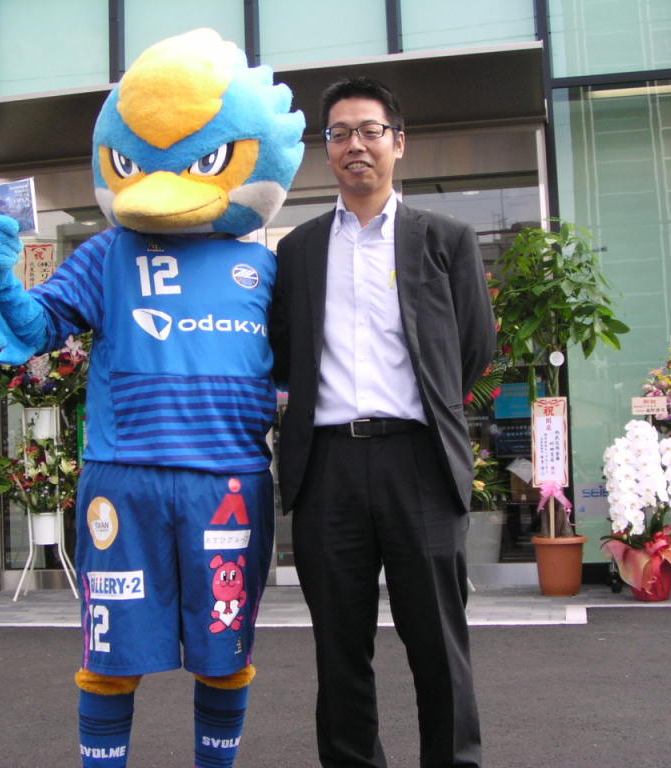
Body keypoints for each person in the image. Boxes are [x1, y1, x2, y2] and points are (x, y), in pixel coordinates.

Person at [0, 29, 303, 768]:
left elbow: (301, 367)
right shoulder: (106, 254)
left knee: (225, 654)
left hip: (228, 485)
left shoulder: (267, 268)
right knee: (111, 656)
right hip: (123, 480)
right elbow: (39, 326)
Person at [270, 76, 495, 768]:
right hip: (327, 468)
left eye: (370, 131)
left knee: (438, 644)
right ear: (327, 150)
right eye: (339, 134)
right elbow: (285, 352)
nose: (355, 146)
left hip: (418, 462)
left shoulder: (446, 239)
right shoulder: (297, 250)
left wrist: (423, 409)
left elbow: (474, 348)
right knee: (339, 650)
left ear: (399, 143)